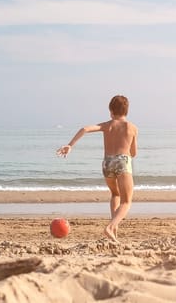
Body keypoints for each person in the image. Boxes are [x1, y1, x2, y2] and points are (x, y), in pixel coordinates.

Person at [56, 95, 138, 243]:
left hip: (107, 163)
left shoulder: (108, 125)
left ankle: (114, 231)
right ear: (127, 111)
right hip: (122, 161)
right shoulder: (131, 127)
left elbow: (85, 128)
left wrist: (70, 145)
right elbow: (133, 153)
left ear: (111, 111)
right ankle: (111, 226)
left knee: (115, 194)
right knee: (126, 202)